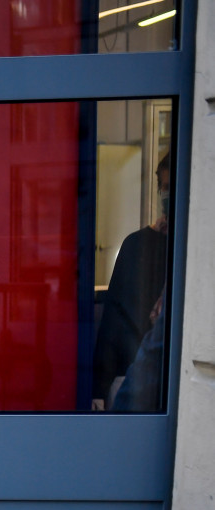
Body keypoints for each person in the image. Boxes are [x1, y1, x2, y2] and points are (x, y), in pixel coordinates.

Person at [93, 154, 171, 408]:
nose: (167, 196)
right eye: (164, 188)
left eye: (172, 188)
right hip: (133, 375)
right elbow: (112, 323)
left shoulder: (192, 251)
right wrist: (100, 388)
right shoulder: (138, 245)